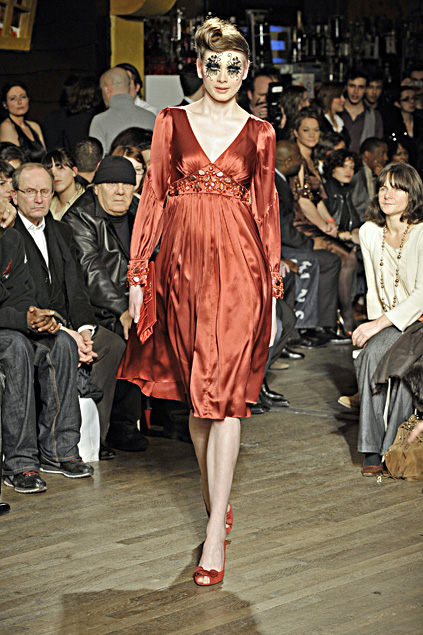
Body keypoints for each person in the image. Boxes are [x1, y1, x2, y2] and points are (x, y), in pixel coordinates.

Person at [117, 17, 282, 586]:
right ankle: (218, 498)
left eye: (235, 66)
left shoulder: (260, 133)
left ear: (247, 70)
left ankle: (214, 532)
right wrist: (139, 272)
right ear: (199, 66)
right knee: (197, 404)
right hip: (181, 272)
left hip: (241, 273)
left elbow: (266, 211)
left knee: (227, 400)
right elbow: (153, 197)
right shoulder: (171, 121)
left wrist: (272, 290)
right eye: (215, 65)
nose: (224, 75)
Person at [12, 162, 126, 461]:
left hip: (69, 323)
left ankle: (92, 438)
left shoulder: (61, 231)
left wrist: (85, 330)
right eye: (31, 192)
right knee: (61, 346)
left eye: (45, 191)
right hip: (33, 326)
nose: (39, 199)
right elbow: (21, 298)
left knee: (110, 345)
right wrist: (67, 332)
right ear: (14, 195)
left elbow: (77, 288)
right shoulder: (8, 234)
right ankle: (55, 440)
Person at [63, 155, 149, 453]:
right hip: (93, 308)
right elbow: (92, 273)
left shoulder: (139, 210)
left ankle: (172, 420)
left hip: (135, 300)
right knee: (123, 338)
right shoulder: (80, 217)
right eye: (112, 184)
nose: (120, 191)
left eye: (126, 184)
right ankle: (110, 427)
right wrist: (122, 310)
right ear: (96, 187)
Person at [0, 223, 94, 493]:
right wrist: (22, 319)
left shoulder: (11, 237)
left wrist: (37, 319)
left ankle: (59, 451)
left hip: (12, 323)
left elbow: (21, 294)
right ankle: (19, 463)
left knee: (62, 342)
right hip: (8, 330)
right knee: (16, 347)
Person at [352, 163, 423, 475]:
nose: (387, 194)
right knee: (371, 355)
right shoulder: (369, 232)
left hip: (419, 319)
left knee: (404, 367)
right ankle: (370, 445)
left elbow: (421, 294)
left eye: (397, 188)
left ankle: (391, 446)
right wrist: (374, 328)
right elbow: (372, 289)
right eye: (383, 187)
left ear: (412, 194)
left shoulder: (421, 232)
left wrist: (378, 325)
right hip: (391, 321)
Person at [291, 108, 356, 335]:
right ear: (295, 132)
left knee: (347, 257)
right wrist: (324, 227)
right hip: (301, 225)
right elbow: (303, 201)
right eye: (306, 130)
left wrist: (329, 221)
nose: (312, 135)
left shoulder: (310, 160)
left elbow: (317, 200)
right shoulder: (296, 160)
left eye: (316, 130)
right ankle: (338, 321)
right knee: (344, 257)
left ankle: (335, 320)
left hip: (313, 222)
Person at [89, 68, 155, 155]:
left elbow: (96, 159)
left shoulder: (100, 121)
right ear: (130, 86)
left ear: (107, 88)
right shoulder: (151, 117)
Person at [340, 68, 384, 153]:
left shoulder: (374, 116)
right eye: (352, 86)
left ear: (366, 89)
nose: (356, 91)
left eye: (361, 87)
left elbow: (378, 148)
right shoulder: (337, 112)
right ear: (345, 87)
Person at [0, 82, 45, 160]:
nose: (19, 102)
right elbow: (11, 162)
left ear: (28, 99)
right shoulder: (6, 126)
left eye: (23, 97)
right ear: (5, 104)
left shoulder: (35, 126)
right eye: (13, 98)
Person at [42, 149, 84, 220]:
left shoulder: (86, 201)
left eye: (60, 168)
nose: (54, 174)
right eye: (49, 171)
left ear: (74, 171)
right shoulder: (47, 204)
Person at [316, 82, 351, 147]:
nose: (343, 99)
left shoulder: (340, 121)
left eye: (343, 96)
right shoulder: (319, 122)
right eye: (339, 96)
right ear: (326, 98)